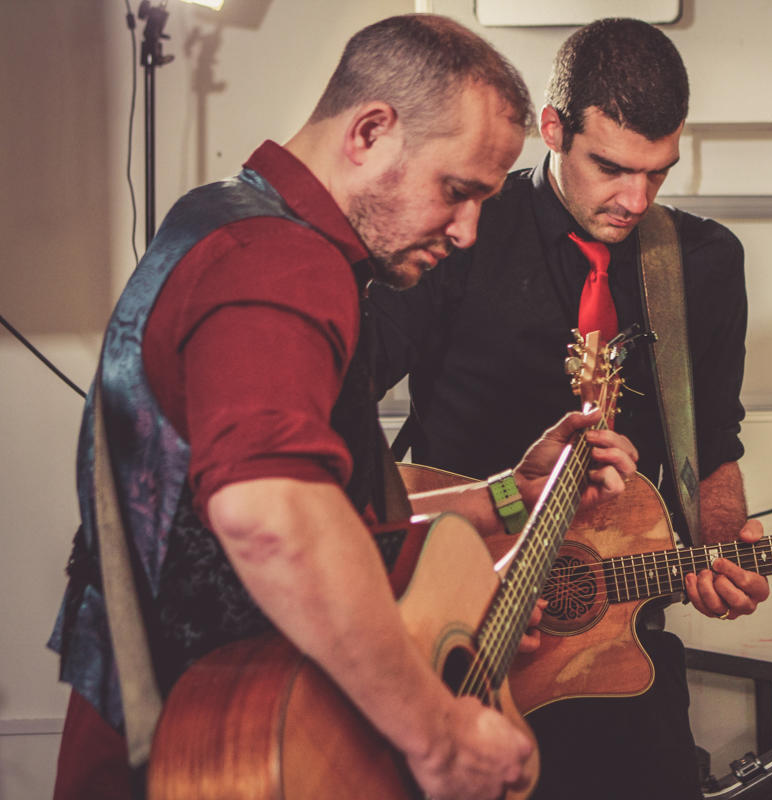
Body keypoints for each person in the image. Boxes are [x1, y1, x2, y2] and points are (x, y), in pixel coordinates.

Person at [47, 15, 637, 800]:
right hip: (222, 745)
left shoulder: (227, 221)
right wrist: (438, 736)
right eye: (456, 191)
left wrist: (505, 495)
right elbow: (271, 518)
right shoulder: (279, 264)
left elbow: (325, 512)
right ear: (369, 133)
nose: (467, 231)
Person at [367, 17, 770, 800]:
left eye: (657, 173)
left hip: (616, 641)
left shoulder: (702, 263)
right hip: (460, 633)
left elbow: (714, 443)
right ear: (553, 129)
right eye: (611, 168)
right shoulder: (463, 231)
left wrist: (721, 548)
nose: (635, 199)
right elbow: (340, 402)